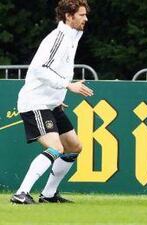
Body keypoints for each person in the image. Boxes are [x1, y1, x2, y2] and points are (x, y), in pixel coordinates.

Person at [10, 0, 93, 204]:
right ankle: (21, 193)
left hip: (50, 103)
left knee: (74, 147)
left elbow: (56, 69)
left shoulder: (71, 37)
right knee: (56, 147)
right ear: (68, 16)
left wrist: (57, 97)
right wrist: (68, 85)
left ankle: (48, 195)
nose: (86, 18)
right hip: (35, 103)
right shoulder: (58, 38)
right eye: (81, 15)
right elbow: (39, 69)